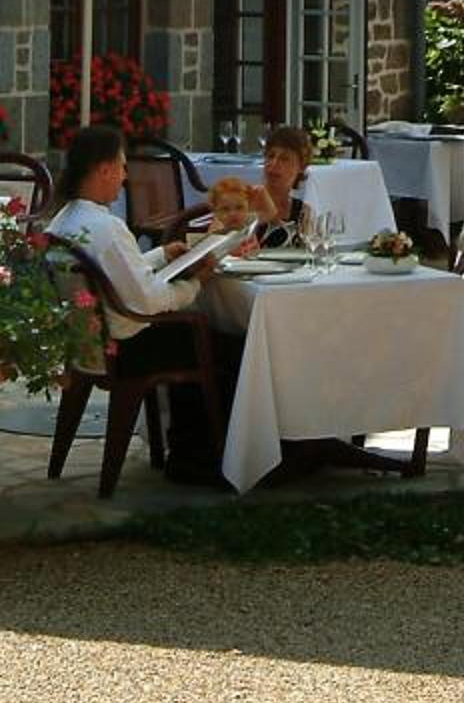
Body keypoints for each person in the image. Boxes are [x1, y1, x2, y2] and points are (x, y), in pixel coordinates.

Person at [43, 126, 242, 482]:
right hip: (126, 347)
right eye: (122, 167)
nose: (125, 177)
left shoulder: (63, 220)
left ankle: (186, 451)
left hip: (88, 344)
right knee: (227, 345)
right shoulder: (106, 227)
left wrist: (162, 254)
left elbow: (112, 274)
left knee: (201, 335)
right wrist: (196, 282)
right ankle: (206, 459)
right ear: (104, 169)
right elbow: (148, 300)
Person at [252, 124, 315, 247]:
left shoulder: (302, 211)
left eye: (284, 159)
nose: (273, 163)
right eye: (270, 156)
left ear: (301, 167)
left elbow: (309, 253)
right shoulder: (245, 202)